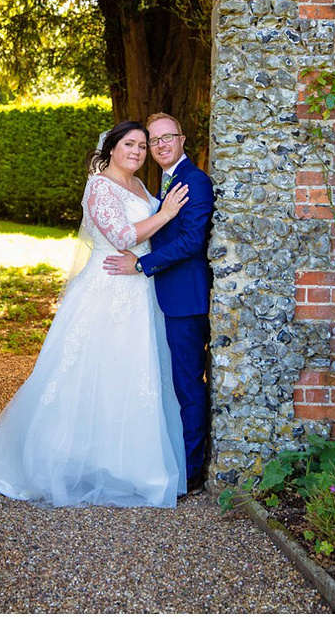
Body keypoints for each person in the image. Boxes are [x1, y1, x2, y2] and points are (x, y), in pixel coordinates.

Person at [0, 121, 189, 507]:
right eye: (130, 144)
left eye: (143, 145)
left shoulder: (140, 186)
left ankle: (124, 464)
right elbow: (121, 236)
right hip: (106, 288)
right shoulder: (100, 186)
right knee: (89, 374)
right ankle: (68, 460)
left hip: (139, 287)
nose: (138, 151)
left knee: (132, 374)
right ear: (111, 148)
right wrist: (168, 213)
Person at [104, 113, 214, 495]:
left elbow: (192, 242)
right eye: (154, 141)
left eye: (169, 138)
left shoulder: (195, 181)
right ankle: (174, 460)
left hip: (185, 297)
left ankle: (191, 472)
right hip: (164, 296)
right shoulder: (162, 182)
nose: (161, 145)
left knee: (186, 384)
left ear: (183, 140)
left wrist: (141, 264)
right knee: (169, 382)